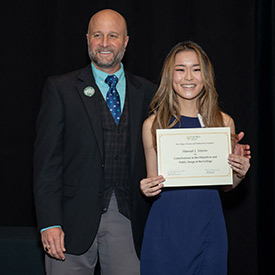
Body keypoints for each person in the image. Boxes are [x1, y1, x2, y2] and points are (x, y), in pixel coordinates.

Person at [33, 9, 157, 275]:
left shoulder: (148, 92)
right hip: (69, 224)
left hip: (129, 221)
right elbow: (46, 164)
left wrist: (224, 148)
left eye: (113, 36)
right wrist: (49, 223)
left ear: (125, 41)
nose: (104, 43)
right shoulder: (61, 89)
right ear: (87, 38)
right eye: (98, 35)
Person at [139, 41, 251, 275]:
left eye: (196, 69)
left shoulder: (223, 123)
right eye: (180, 69)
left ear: (206, 75)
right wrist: (147, 187)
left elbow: (227, 185)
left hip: (209, 231)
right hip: (165, 232)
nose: (188, 76)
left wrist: (239, 172)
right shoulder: (153, 124)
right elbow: (153, 181)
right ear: (170, 76)